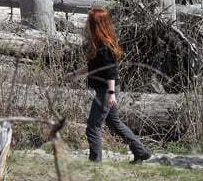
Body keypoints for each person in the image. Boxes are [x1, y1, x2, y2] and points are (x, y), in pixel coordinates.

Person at [62, 8, 151, 164]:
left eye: (88, 21)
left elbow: (111, 72)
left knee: (93, 127)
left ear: (96, 24)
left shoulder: (105, 46)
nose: (86, 24)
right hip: (106, 90)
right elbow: (93, 66)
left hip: (106, 91)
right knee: (114, 123)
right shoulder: (98, 44)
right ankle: (140, 151)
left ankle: (95, 162)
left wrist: (111, 94)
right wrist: (74, 74)